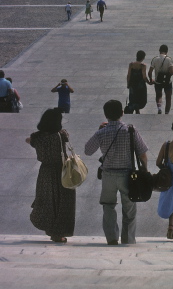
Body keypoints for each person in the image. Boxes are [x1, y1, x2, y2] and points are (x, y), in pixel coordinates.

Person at [84, 100, 148, 245]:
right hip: (127, 176)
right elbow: (142, 153)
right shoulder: (131, 130)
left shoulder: (101, 132)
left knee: (108, 206)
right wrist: (145, 170)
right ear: (122, 113)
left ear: (106, 115)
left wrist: (98, 130)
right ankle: (128, 239)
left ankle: (112, 238)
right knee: (130, 209)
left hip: (108, 175)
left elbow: (88, 151)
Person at [26, 108, 75, 243]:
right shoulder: (61, 135)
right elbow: (66, 138)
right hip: (62, 171)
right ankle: (57, 233)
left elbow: (29, 140)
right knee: (62, 203)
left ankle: (49, 228)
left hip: (45, 173)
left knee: (47, 202)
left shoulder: (36, 137)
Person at [148, 45, 173, 114]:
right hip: (167, 82)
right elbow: (172, 72)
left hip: (158, 81)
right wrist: (167, 75)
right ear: (167, 51)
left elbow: (149, 72)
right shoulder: (169, 59)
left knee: (159, 95)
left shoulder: (155, 59)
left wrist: (151, 79)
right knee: (168, 98)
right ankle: (166, 112)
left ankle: (159, 108)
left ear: (159, 50)